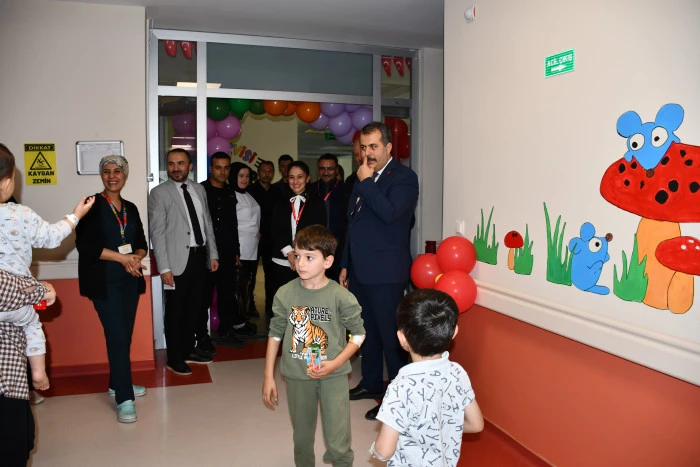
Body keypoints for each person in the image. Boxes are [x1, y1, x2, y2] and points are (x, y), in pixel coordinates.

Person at [262, 224, 366, 467]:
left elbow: (359, 335)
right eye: (298, 256)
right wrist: (268, 376)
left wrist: (336, 363)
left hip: (334, 375)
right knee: (301, 436)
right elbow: (275, 334)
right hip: (297, 375)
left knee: (338, 438)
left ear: (328, 261)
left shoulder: (342, 296)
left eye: (309, 257)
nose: (300, 263)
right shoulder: (285, 293)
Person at [0, 143, 95, 402]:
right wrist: (76, 215)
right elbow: (52, 237)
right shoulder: (20, 214)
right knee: (32, 325)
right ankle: (38, 373)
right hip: (18, 299)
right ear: (7, 184)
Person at [338, 122, 419, 420]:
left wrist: (367, 182)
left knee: (391, 338)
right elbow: (353, 224)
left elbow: (389, 214)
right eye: (363, 147)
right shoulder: (362, 178)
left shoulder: (404, 178)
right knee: (366, 333)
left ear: (388, 147)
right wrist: (345, 263)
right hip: (360, 271)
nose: (367, 153)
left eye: (373, 146)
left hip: (387, 274)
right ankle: (370, 383)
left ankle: (395, 399)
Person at [370, 289, 484, 465]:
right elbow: (477, 425)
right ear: (454, 332)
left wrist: (375, 449)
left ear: (402, 338)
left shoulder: (401, 387)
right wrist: (442, 430)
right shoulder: (457, 372)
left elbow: (384, 450)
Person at [75, 155, 149, 423]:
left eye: (117, 170)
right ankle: (124, 398)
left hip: (129, 279)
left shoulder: (131, 207)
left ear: (125, 175)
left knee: (123, 334)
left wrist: (136, 258)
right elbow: (86, 246)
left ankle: (117, 383)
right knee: (117, 335)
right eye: (106, 171)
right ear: (101, 176)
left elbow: (141, 242)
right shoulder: (91, 205)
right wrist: (122, 259)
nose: (112, 176)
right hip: (104, 282)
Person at [149, 148, 219, 375]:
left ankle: (189, 350)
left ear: (190, 166)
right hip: (176, 262)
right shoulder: (159, 193)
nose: (175, 168)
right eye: (171, 164)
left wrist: (213, 254)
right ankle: (174, 357)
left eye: (180, 163)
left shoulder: (199, 189)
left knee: (194, 308)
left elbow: (207, 224)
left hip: (199, 258)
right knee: (175, 311)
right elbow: (157, 233)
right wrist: (164, 267)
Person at [0, 271, 57, 467]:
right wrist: (41, 289)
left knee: (23, 438)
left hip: (12, 375)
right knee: (14, 446)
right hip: (7, 382)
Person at [269, 161, 326, 323]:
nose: (295, 181)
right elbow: (275, 230)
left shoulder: (317, 203)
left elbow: (318, 232)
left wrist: (300, 256)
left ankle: (305, 335)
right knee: (284, 302)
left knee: (305, 302)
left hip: (308, 261)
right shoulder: (280, 202)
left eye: (300, 177)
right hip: (282, 260)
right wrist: (290, 253)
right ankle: (286, 335)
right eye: (291, 177)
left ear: (307, 178)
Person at [200, 152, 246, 349]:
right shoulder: (201, 190)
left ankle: (226, 332)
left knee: (227, 294)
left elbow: (233, 224)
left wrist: (236, 252)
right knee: (203, 296)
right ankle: (202, 337)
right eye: (218, 167)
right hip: (206, 252)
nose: (222, 172)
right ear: (211, 168)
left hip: (227, 251)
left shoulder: (230, 192)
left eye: (226, 168)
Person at [229, 162, 261, 337]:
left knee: (247, 287)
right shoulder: (230, 195)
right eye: (241, 175)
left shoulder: (248, 194)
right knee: (237, 288)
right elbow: (230, 225)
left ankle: (243, 318)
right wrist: (235, 251)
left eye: (247, 176)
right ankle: (237, 322)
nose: (245, 179)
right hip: (239, 248)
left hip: (252, 248)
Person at [311, 153, 347, 282]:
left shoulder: (346, 190)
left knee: (336, 284)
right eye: (322, 168)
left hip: (339, 248)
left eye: (330, 169)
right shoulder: (311, 189)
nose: (326, 173)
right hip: (314, 246)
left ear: (336, 170)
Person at [248, 159, 277, 322]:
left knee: (271, 275)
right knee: (250, 274)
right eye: (264, 171)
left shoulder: (277, 191)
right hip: (254, 238)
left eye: (269, 171)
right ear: (258, 173)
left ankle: (270, 307)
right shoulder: (250, 191)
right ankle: (249, 306)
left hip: (271, 239)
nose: (267, 174)